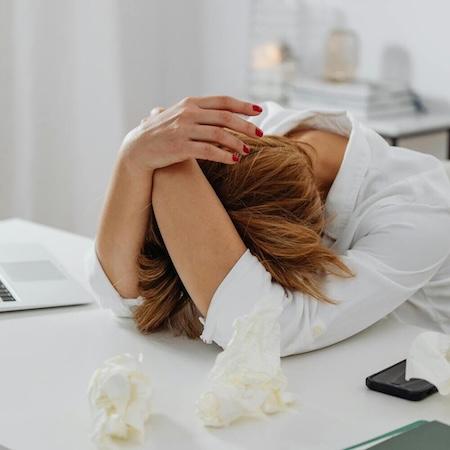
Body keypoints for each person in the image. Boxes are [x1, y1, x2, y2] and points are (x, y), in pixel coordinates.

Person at [86, 95, 450, 357]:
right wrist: (134, 154)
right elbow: (122, 298)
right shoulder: (252, 134)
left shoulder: (421, 215)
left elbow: (260, 331)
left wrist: (166, 164)